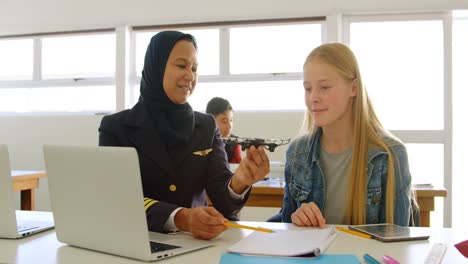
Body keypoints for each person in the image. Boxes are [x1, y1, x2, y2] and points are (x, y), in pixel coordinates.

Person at [98, 31, 270, 240]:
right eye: (181, 66)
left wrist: (240, 181)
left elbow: (223, 200)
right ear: (157, 66)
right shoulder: (116, 128)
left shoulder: (206, 126)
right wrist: (181, 218)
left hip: (196, 248)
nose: (190, 75)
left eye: (194, 68)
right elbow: (118, 198)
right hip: (137, 244)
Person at [281, 43, 416, 227]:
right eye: (308, 88)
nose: (313, 97)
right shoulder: (296, 152)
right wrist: (297, 221)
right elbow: (286, 230)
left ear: (354, 88)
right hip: (313, 256)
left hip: (365, 257)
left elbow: (396, 240)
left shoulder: (391, 155)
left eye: (325, 87)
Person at [206, 97, 242, 163]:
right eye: (224, 121)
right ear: (211, 121)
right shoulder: (201, 142)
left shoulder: (234, 143)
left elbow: (237, 168)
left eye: (231, 120)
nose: (229, 126)